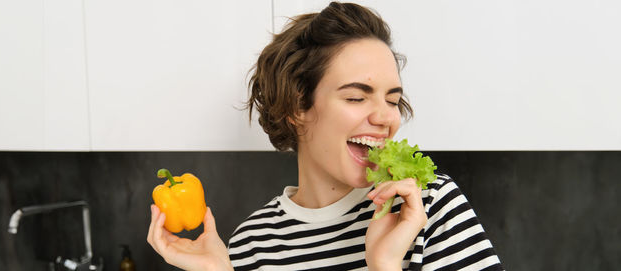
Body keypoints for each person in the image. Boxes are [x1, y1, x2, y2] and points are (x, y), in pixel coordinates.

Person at [147, 2, 503, 270]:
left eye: (392, 100)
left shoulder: (426, 206)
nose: (385, 117)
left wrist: (386, 266)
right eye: (356, 97)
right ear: (296, 107)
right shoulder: (251, 245)